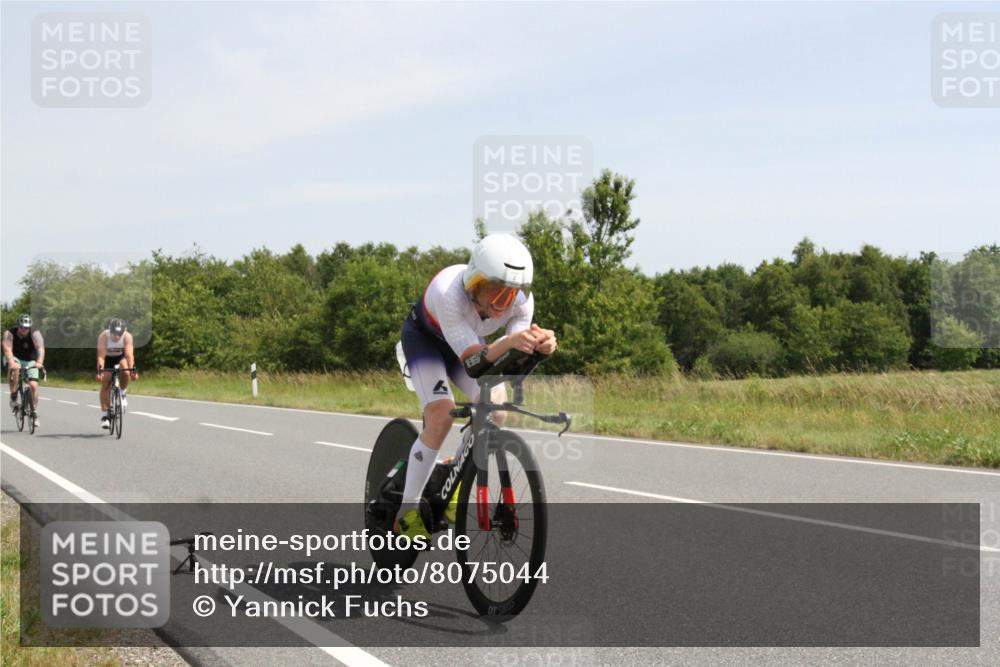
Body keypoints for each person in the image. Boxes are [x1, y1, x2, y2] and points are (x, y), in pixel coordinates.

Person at [396, 234, 557, 538]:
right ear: (474, 282)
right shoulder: (449, 294)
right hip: (426, 342)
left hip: (469, 344)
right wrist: (509, 342)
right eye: (493, 290)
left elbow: (509, 365)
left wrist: (539, 348)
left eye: (510, 294)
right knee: (441, 415)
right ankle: (406, 511)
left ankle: (456, 473)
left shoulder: (522, 303)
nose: (501, 304)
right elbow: (473, 362)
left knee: (496, 410)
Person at [3, 314, 45, 429]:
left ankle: (33, 411)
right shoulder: (9, 334)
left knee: (34, 386)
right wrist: (12, 362)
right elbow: (7, 350)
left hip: (31, 360)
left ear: (29, 327)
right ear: (18, 326)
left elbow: (40, 349)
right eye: (21, 327)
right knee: (15, 368)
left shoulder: (35, 334)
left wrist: (39, 362)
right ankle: (13, 396)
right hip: (15, 358)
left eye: (26, 327)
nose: (23, 329)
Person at [96, 318, 137, 429]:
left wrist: (133, 370)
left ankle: (122, 393)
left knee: (126, 372)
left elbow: (129, 355)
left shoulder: (127, 336)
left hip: (120, 357)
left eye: (120, 334)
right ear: (110, 330)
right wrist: (100, 371)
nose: (117, 336)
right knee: (106, 382)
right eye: (114, 333)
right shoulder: (104, 336)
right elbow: (101, 356)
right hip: (107, 358)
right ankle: (105, 416)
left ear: (124, 331)